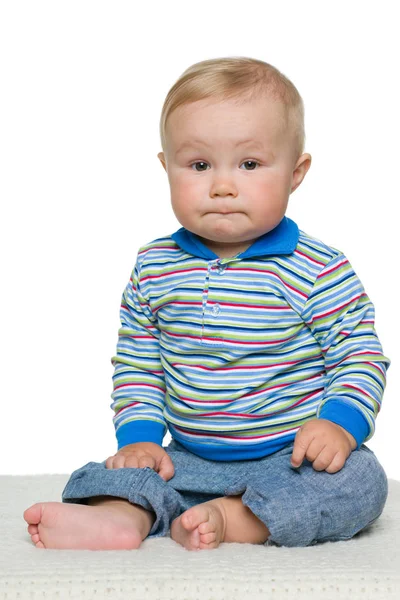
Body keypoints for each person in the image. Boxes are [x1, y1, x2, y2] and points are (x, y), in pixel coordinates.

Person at [23, 56, 390, 551]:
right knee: (111, 473)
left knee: (362, 482)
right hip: (187, 459)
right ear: (166, 166)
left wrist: (340, 425)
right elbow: (138, 363)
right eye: (198, 165)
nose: (222, 185)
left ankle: (236, 517)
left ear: (296, 172)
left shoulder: (316, 268)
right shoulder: (154, 267)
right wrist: (141, 440)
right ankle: (122, 516)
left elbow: (359, 354)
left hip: (291, 459)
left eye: (250, 164)